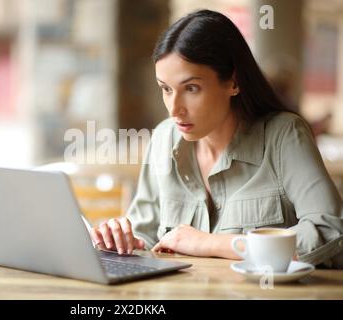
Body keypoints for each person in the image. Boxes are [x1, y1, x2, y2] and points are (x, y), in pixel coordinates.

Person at [89, 10, 343, 268]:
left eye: (191, 88)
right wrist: (122, 240)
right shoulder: (163, 139)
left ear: (233, 82)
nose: (174, 108)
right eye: (166, 89)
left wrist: (210, 243)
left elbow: (330, 230)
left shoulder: (284, 136)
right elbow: (146, 236)